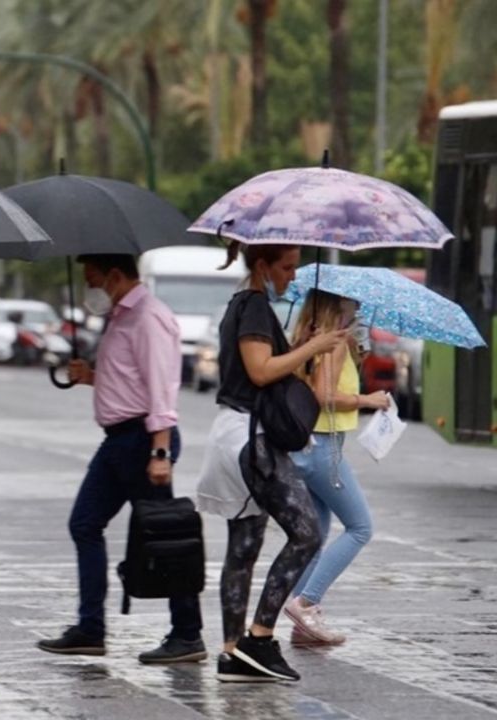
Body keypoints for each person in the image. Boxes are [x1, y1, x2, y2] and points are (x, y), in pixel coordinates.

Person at [36, 254, 206, 664]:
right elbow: (129, 378)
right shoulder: (121, 315)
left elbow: (162, 387)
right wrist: (90, 375)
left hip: (143, 440)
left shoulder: (149, 316)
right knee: (85, 524)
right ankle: (90, 629)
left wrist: (160, 451)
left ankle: (187, 634)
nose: (90, 288)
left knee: (167, 538)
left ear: (115, 275)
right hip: (118, 441)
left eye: (93, 279)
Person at [195, 243, 346, 683]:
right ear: (262, 265)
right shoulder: (256, 305)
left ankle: (231, 653)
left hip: (231, 435)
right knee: (306, 532)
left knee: (243, 547)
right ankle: (258, 640)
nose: (293, 276)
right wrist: (313, 345)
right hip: (250, 440)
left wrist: (302, 346)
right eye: (287, 267)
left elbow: (262, 368)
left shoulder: (242, 304)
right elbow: (260, 371)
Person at [284, 290, 387, 645]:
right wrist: (368, 399)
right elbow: (323, 395)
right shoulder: (333, 342)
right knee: (360, 528)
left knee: (315, 535)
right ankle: (306, 602)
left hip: (308, 445)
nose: (358, 306)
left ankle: (303, 625)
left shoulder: (308, 339)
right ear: (336, 304)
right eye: (352, 301)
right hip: (324, 448)